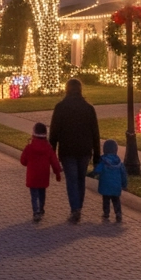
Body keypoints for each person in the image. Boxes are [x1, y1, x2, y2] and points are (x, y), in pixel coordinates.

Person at [49, 77, 101, 224]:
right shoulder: (89, 108)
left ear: (67, 90)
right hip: (85, 149)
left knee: (72, 180)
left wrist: (51, 153)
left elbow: (54, 133)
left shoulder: (60, 107)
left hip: (67, 150)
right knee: (80, 179)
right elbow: (95, 133)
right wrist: (97, 156)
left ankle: (75, 209)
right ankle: (78, 208)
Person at [19, 121, 62, 222]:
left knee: (34, 195)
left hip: (32, 176)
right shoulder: (48, 148)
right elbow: (54, 162)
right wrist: (57, 173)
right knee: (42, 193)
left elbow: (23, 161)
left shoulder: (29, 147)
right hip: (43, 175)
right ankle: (41, 209)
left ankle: (36, 212)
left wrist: (28, 163)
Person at [93, 138, 128, 222]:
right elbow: (124, 174)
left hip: (105, 186)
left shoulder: (103, 162)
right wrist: (124, 184)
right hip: (116, 186)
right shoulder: (119, 163)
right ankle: (118, 214)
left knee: (106, 200)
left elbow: (97, 170)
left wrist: (94, 173)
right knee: (116, 200)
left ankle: (106, 213)